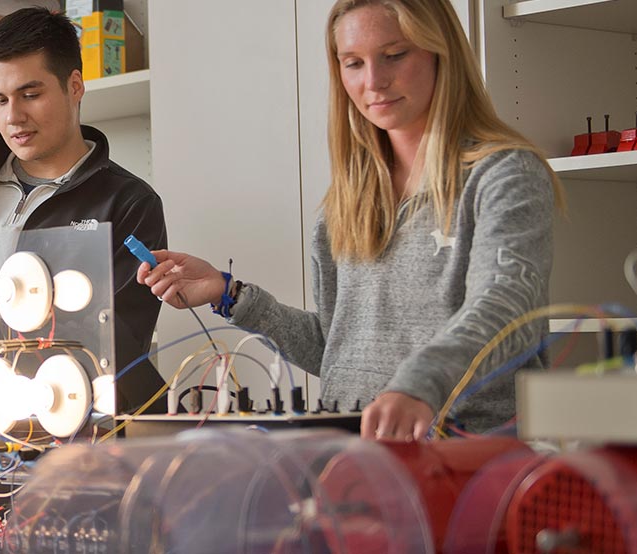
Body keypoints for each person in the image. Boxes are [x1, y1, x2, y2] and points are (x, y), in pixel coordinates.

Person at [138, 0, 561, 439]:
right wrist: (228, 293)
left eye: (395, 55)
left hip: (470, 460)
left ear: (442, 54)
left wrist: (417, 386)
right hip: (359, 460)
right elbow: (336, 351)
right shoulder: (346, 204)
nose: (374, 81)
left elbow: (503, 313)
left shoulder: (504, 174)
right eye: (354, 63)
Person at [0, 7, 168, 414]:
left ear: (74, 86)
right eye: (0, 100)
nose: (13, 116)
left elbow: (120, 349)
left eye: (30, 95)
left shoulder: (129, 203)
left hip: (72, 428)